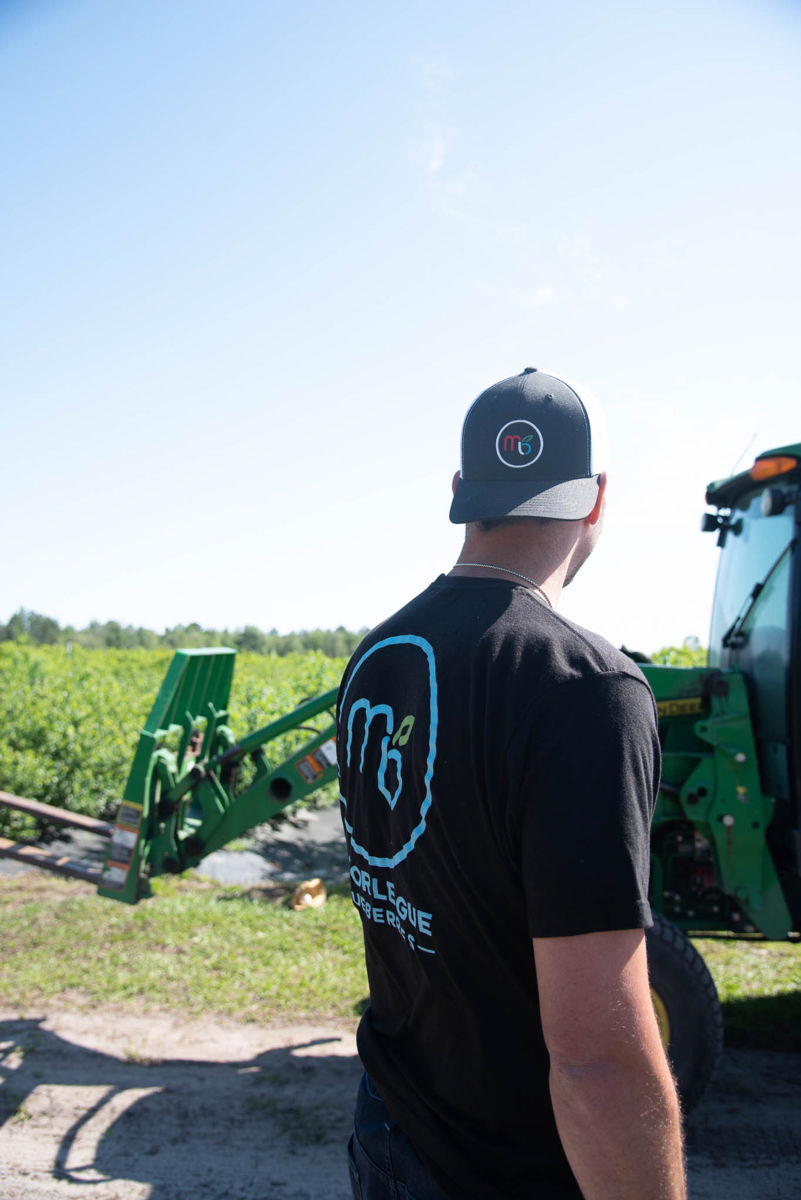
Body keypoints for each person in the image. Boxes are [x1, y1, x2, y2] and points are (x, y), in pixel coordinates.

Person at [336, 367, 685, 1200]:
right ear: (595, 497)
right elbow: (596, 1057)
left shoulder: (375, 657)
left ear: (460, 491)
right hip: (502, 1168)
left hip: (388, 1124)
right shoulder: (584, 687)